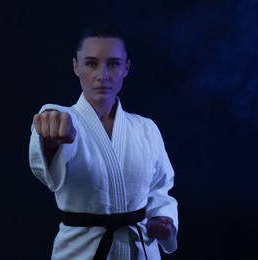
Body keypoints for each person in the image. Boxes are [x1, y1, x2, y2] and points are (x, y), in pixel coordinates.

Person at [29, 23, 178, 259]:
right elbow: (48, 160)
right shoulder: (64, 120)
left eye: (113, 64)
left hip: (140, 250)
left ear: (126, 67)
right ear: (76, 66)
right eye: (91, 63)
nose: (103, 75)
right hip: (81, 251)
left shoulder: (146, 128)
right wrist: (49, 140)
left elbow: (159, 189)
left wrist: (163, 218)